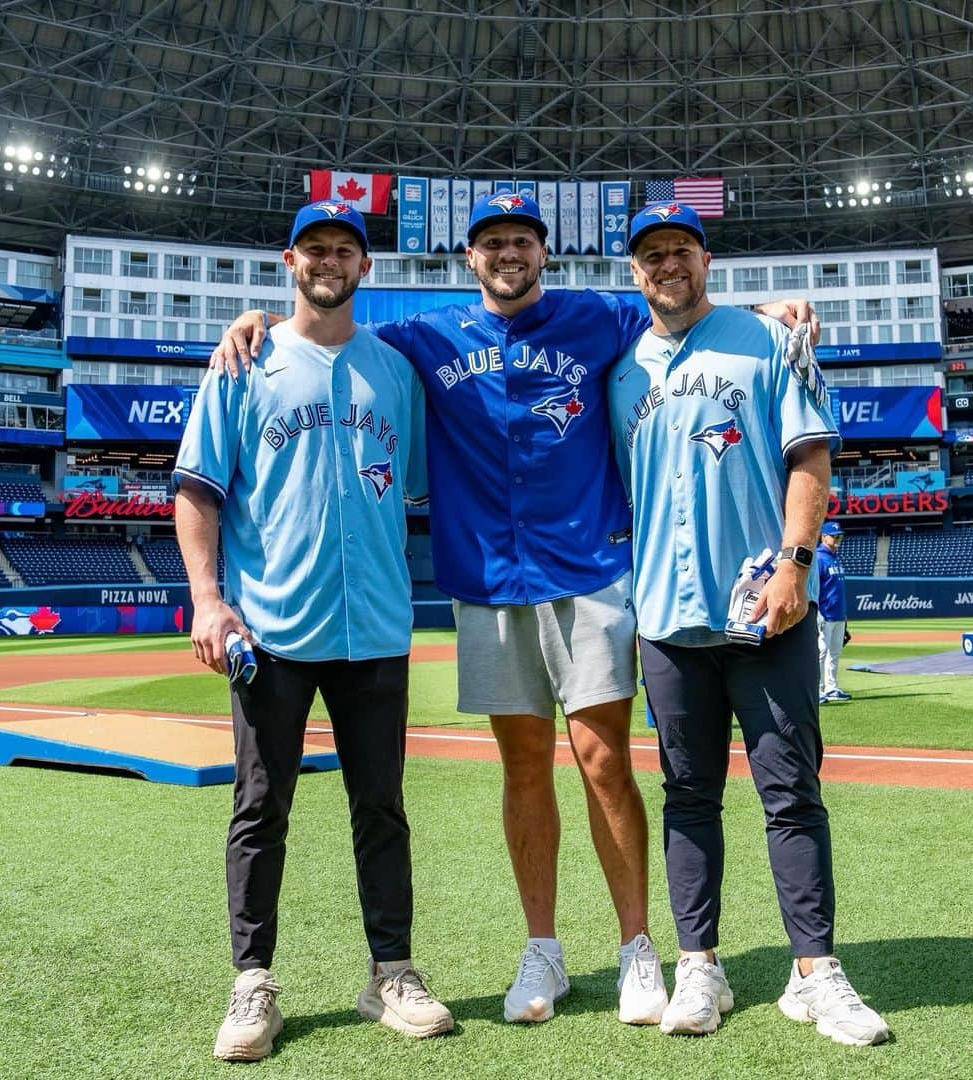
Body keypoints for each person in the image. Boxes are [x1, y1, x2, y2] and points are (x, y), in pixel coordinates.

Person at [212, 190, 818, 1026]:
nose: (508, 252)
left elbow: (681, 304)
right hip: (489, 581)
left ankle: (639, 948)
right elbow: (326, 335)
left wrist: (765, 311)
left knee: (605, 761)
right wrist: (254, 319)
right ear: (470, 257)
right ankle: (544, 951)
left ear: (544, 252)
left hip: (588, 573)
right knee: (524, 767)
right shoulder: (422, 340)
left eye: (522, 240)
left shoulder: (597, 318)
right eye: (492, 241)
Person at [175, 201, 452, 1061]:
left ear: (364, 268)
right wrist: (207, 599)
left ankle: (391, 973)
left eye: (346, 250)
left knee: (382, 807)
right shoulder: (243, 361)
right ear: (290, 259)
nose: (330, 261)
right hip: (273, 628)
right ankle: (252, 981)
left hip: (373, 623)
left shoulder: (396, 371)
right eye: (316, 248)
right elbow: (195, 490)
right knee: (261, 808)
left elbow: (409, 481)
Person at [607, 202, 889, 1046]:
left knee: (790, 792)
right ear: (635, 272)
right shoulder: (619, 369)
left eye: (682, 250)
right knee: (687, 796)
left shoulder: (769, 340)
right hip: (665, 616)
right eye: (652, 255)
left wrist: (797, 563)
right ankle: (700, 965)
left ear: (706, 259)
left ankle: (815, 973)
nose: (668, 265)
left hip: (766, 610)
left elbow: (810, 455)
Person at [816, 521, 851, 702]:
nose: (838, 539)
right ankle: (818, 690)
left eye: (840, 536)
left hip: (838, 614)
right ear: (824, 537)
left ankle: (831, 687)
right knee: (821, 652)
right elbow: (815, 588)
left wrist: (844, 614)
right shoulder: (819, 558)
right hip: (824, 613)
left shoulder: (835, 557)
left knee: (835, 652)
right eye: (834, 536)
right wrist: (817, 613)